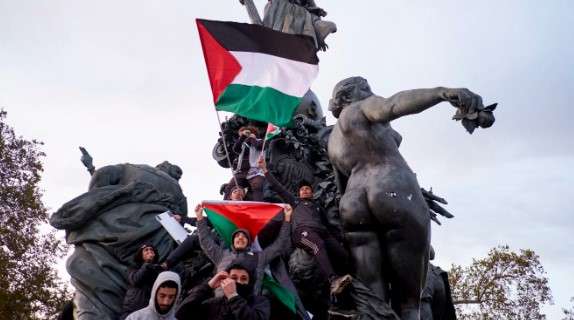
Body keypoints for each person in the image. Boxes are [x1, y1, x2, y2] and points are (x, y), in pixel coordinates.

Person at [327, 76, 486, 319]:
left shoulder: (332, 141)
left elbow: (340, 187)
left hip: (353, 203)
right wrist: (442, 92)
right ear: (349, 96)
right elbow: (392, 105)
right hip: (391, 188)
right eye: (366, 89)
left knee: (373, 297)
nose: (371, 92)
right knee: (411, 301)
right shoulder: (361, 107)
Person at [257, 158, 351, 296]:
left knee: (343, 254)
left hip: (322, 232)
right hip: (302, 232)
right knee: (316, 245)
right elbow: (278, 188)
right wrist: (265, 170)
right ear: (299, 193)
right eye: (302, 189)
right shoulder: (295, 202)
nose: (305, 191)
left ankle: (347, 282)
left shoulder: (318, 207)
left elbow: (329, 225)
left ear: (311, 192)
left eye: (308, 189)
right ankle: (333, 281)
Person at [195, 203, 292, 294]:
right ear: (233, 241)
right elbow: (205, 241)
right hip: (222, 305)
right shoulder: (222, 256)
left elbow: (280, 244)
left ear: (249, 242)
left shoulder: (260, 258)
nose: (240, 237)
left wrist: (287, 219)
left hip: (248, 307)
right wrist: (199, 218)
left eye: (244, 236)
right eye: (237, 236)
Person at [175, 259, 270, 320]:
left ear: (250, 282)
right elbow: (182, 313)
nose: (239, 282)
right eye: (234, 278)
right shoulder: (214, 303)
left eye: (244, 278)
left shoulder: (259, 302)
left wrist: (234, 297)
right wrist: (207, 287)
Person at [121, 244, 164, 320]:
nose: (149, 251)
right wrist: (147, 264)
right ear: (141, 255)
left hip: (149, 312)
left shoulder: (159, 270)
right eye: (146, 250)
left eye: (151, 249)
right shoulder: (133, 268)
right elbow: (135, 280)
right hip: (132, 309)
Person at [227, 126, 265, 201]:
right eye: (242, 134)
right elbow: (236, 149)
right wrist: (242, 137)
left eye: (246, 133)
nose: (244, 136)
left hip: (255, 172)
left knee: (257, 186)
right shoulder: (242, 144)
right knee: (230, 186)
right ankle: (225, 206)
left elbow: (259, 146)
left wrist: (252, 138)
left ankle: (258, 205)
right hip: (241, 172)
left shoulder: (260, 141)